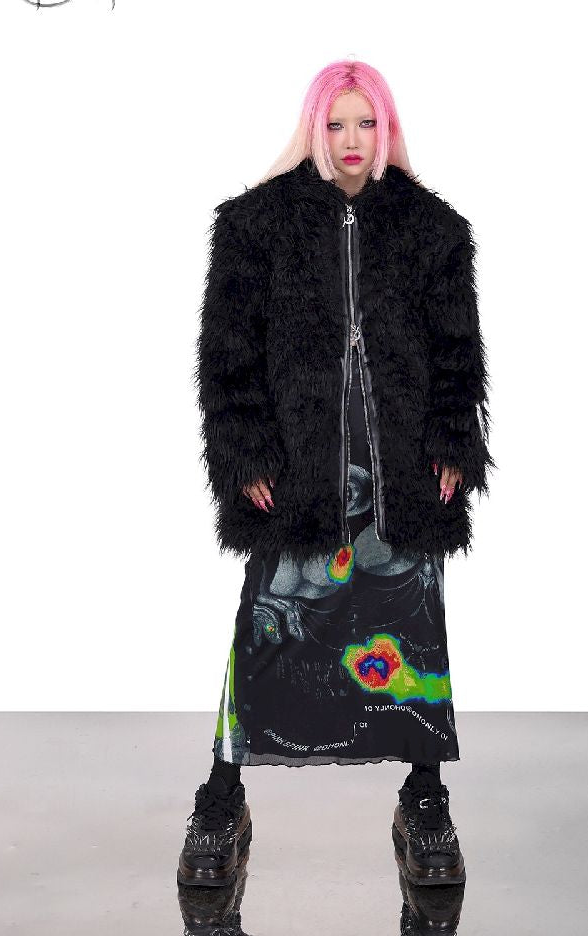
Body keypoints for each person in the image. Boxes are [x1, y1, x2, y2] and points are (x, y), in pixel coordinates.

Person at [177, 60, 495, 908]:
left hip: (399, 473)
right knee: (268, 624)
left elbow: (457, 354)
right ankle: (221, 800)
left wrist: (453, 440)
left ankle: (424, 798)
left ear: (387, 129)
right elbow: (226, 356)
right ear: (313, 129)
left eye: (367, 123)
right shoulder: (255, 226)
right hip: (300, 472)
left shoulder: (432, 229)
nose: (353, 140)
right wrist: (245, 453)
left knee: (412, 632)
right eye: (337, 123)